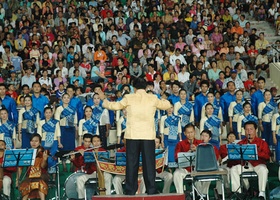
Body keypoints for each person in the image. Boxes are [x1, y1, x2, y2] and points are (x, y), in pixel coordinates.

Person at [99, 77, 171, 195]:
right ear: (146, 87)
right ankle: (151, 189)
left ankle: (130, 190)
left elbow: (115, 106)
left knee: (132, 164)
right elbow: (167, 105)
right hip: (148, 135)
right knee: (149, 164)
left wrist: (104, 100)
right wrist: (162, 96)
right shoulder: (152, 98)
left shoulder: (129, 97)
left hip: (132, 135)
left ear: (134, 87)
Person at [230, 121, 270, 199]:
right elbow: (235, 157)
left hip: (258, 164)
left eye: (251, 129)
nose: (249, 131)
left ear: (256, 130)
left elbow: (267, 157)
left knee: (263, 170)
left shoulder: (262, 143)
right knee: (234, 169)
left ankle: (262, 193)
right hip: (245, 165)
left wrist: (255, 152)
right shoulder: (241, 143)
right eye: (247, 129)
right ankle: (238, 193)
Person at [173, 123, 202, 194]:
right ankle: (180, 195)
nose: (190, 134)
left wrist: (197, 150)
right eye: (188, 133)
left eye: (191, 132)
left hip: (197, 168)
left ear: (195, 132)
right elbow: (176, 157)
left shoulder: (200, 143)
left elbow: (205, 157)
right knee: (177, 174)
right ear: (185, 133)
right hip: (185, 168)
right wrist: (187, 153)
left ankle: (202, 195)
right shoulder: (180, 144)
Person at [18, 134, 49, 200]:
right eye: (32, 141)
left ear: (40, 142)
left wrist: (45, 159)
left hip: (42, 175)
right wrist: (17, 179)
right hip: (30, 176)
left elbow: (43, 166)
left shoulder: (43, 152)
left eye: (36, 141)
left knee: (41, 182)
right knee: (25, 185)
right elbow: (21, 166)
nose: (34, 143)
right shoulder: (27, 152)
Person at [38, 106, 62, 180]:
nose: (48, 114)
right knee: (45, 158)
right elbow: (39, 134)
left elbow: (58, 134)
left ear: (52, 113)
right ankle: (47, 176)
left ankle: (54, 178)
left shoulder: (55, 122)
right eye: (46, 113)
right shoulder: (41, 123)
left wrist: (59, 143)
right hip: (44, 142)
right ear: (44, 114)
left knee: (53, 158)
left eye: (49, 112)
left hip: (54, 142)